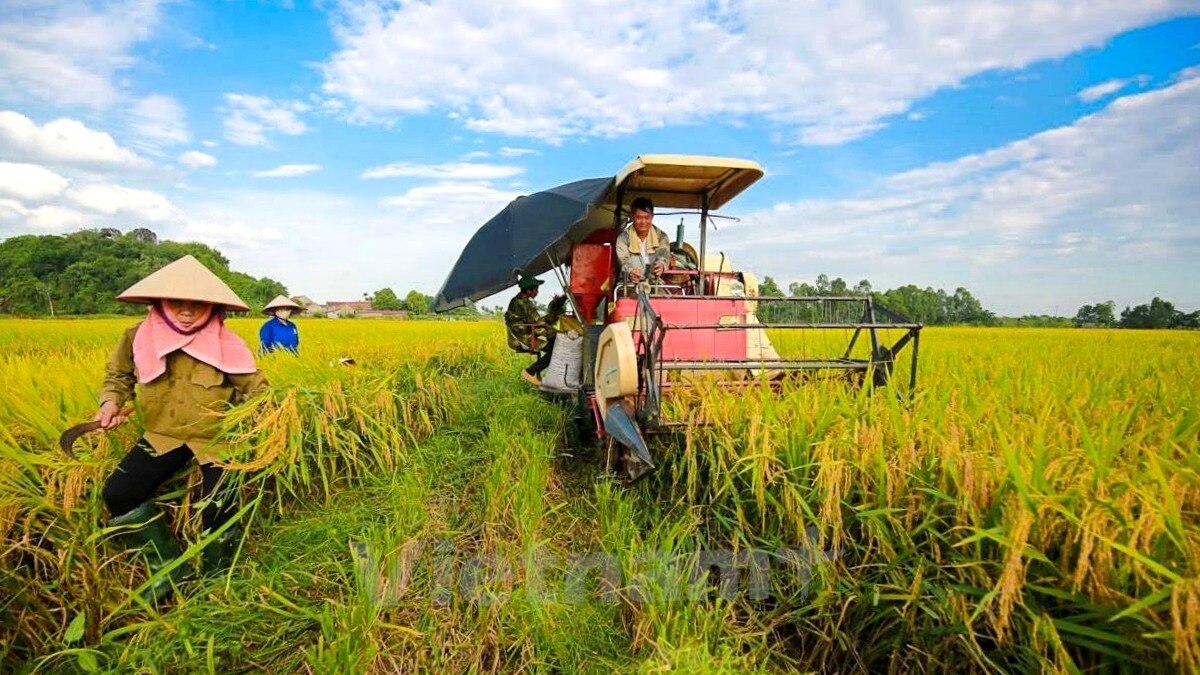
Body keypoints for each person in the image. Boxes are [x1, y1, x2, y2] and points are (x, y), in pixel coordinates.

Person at [95, 255, 268, 601]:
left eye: (197, 304)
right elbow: (118, 377)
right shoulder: (137, 338)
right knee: (118, 494)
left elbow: (257, 390)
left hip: (216, 438)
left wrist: (274, 423)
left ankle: (218, 582)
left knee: (220, 505)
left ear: (211, 308)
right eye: (177, 303)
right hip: (164, 435)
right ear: (160, 302)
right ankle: (170, 571)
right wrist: (110, 403)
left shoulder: (226, 344)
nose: (187, 312)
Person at [504, 274, 564, 386]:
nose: (537, 292)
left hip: (522, 334)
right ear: (528, 290)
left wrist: (552, 318)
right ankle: (529, 372)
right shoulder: (525, 303)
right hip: (523, 338)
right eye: (536, 289)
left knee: (553, 342)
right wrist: (558, 333)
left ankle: (548, 375)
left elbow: (537, 321)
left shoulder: (518, 300)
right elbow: (538, 323)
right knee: (555, 349)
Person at [615, 197, 671, 283]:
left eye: (647, 217)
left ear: (652, 217)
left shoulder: (661, 236)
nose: (643, 222)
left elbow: (663, 254)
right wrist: (630, 272)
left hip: (654, 283)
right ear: (632, 217)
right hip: (628, 283)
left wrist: (662, 264)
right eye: (639, 217)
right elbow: (623, 261)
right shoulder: (623, 238)